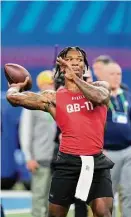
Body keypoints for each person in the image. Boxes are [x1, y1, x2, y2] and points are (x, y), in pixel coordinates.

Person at [6, 46, 114, 217]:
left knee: (103, 212)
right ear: (62, 67)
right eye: (70, 60)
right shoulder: (53, 97)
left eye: (79, 59)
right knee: (55, 215)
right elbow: (14, 98)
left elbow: (100, 97)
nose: (76, 62)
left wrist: (76, 79)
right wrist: (15, 86)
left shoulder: (100, 86)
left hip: (96, 162)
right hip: (67, 163)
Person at [19, 70, 56, 217]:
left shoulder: (59, 101)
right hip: (40, 159)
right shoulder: (33, 102)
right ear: (43, 85)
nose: (53, 86)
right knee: (39, 197)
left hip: (58, 160)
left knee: (54, 200)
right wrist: (29, 157)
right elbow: (25, 132)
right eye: (50, 83)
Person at [102, 62, 131, 217]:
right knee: (108, 196)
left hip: (128, 151)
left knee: (129, 192)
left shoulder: (126, 96)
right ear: (105, 76)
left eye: (119, 74)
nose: (116, 77)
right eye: (112, 74)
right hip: (108, 152)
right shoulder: (99, 97)